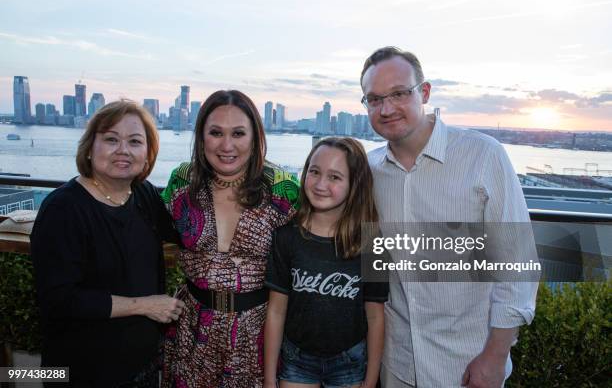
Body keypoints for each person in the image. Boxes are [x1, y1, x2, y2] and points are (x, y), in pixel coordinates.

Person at [361, 47, 539, 387]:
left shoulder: (483, 156)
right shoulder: (368, 171)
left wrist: (495, 356)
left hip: (467, 366)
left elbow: (517, 264)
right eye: (374, 99)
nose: (386, 108)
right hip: (396, 364)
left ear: (424, 92)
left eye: (399, 93)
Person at [30, 100, 185, 387]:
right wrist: (144, 305)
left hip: (143, 367)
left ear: (147, 156)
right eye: (111, 139)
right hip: (83, 371)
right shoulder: (63, 209)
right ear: (90, 148)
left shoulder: (144, 195)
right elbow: (59, 301)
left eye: (135, 141)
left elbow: (185, 235)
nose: (123, 150)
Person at [161, 90, 300, 387]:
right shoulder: (182, 182)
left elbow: (316, 248)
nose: (227, 146)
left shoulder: (282, 189)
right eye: (215, 133)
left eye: (238, 133)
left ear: (255, 137)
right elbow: (145, 231)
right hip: (192, 329)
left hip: (258, 333)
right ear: (201, 137)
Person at [264, 137, 388, 388]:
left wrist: (372, 378)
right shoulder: (286, 237)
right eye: (315, 172)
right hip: (296, 361)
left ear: (355, 184)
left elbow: (375, 317)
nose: (321, 184)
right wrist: (268, 378)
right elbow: (276, 312)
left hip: (349, 362)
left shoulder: (371, 242)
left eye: (335, 177)